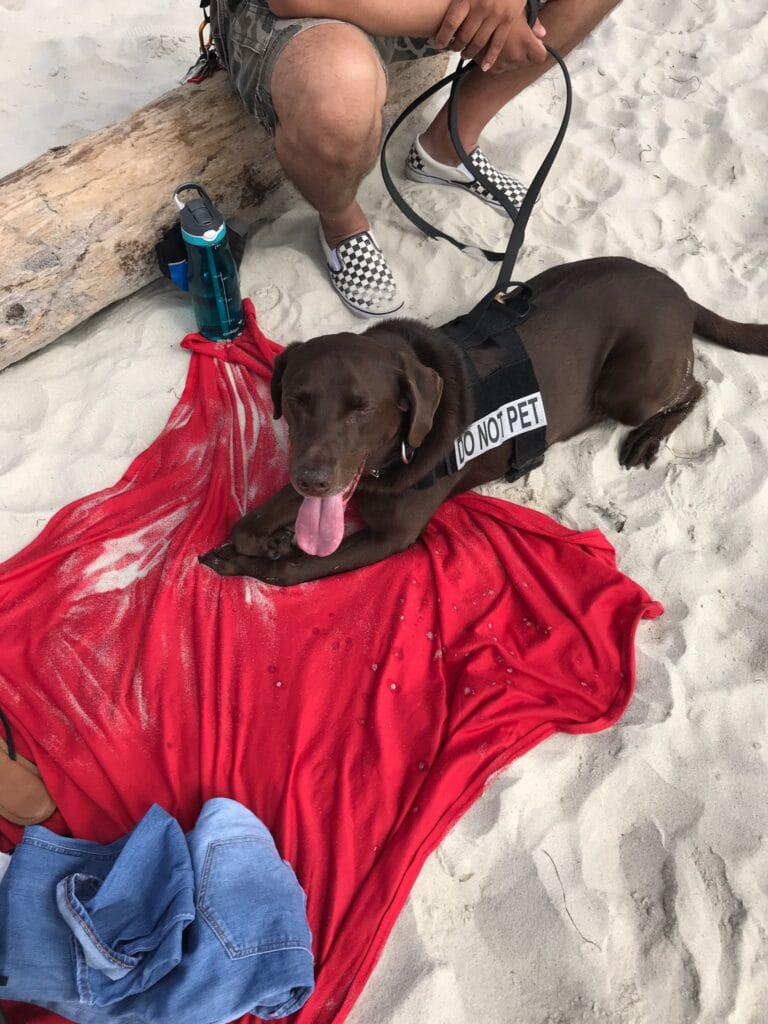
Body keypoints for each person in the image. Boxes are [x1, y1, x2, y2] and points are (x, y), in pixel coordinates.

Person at [210, 0, 620, 317]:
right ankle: (340, 222)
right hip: (296, 14)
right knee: (338, 98)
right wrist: (484, 18)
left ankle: (449, 144)